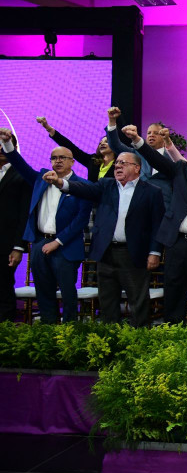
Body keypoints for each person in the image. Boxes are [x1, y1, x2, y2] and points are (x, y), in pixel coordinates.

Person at [122, 125, 187, 327]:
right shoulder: (179, 169)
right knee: (173, 291)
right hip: (175, 243)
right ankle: (173, 338)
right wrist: (137, 140)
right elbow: (155, 159)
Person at [45, 151, 165, 327]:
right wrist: (60, 182)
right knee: (107, 301)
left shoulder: (152, 192)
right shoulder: (106, 185)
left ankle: (140, 341)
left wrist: (155, 252)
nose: (117, 166)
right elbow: (83, 189)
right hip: (105, 252)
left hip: (133, 254)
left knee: (138, 301)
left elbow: (157, 225)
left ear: (137, 168)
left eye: (123, 163)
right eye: (117, 163)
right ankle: (110, 341)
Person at [1, 128, 91, 323]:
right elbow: (19, 164)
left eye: (62, 158)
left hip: (66, 247)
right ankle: (49, 332)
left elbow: (81, 220)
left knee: (67, 294)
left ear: (72, 161)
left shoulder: (81, 185)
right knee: (44, 293)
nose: (57, 161)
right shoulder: (42, 179)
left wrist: (57, 242)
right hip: (40, 244)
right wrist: (8, 144)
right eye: (54, 158)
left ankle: (69, 334)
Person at [106, 107, 185, 210]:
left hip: (163, 204)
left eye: (156, 133)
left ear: (163, 136)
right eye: (148, 133)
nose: (151, 135)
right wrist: (112, 122)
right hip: (138, 201)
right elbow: (115, 145)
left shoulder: (172, 157)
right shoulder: (136, 154)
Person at [0, 132, 31, 322]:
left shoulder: (22, 175)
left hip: (6, 245)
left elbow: (24, 214)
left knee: (3, 291)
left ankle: (5, 337)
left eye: (4, 145)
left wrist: (18, 246)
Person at [37, 116, 116, 181]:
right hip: (91, 199)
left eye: (106, 142)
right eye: (100, 142)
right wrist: (49, 128)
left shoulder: (120, 162)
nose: (102, 144)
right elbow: (71, 148)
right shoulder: (92, 160)